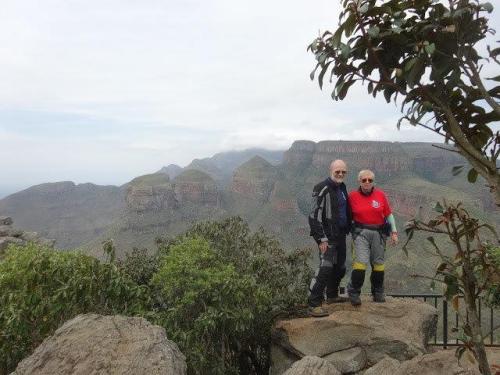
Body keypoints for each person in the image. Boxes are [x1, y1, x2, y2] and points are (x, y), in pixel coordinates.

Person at [347, 169, 398, 306]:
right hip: (360, 233)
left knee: (379, 264)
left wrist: (394, 232)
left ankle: (378, 291)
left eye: (370, 180)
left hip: (379, 233)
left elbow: (389, 214)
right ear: (359, 181)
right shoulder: (352, 196)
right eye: (364, 180)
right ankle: (354, 291)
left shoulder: (380, 195)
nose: (367, 182)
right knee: (360, 262)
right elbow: (346, 215)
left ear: (373, 181)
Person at [307, 159, 352, 317]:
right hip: (327, 237)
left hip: (340, 235)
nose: (340, 174)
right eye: (337, 171)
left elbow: (345, 211)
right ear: (331, 170)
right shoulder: (321, 188)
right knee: (325, 268)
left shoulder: (342, 188)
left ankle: (332, 295)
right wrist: (321, 239)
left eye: (343, 172)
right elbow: (313, 215)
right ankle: (314, 303)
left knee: (340, 268)